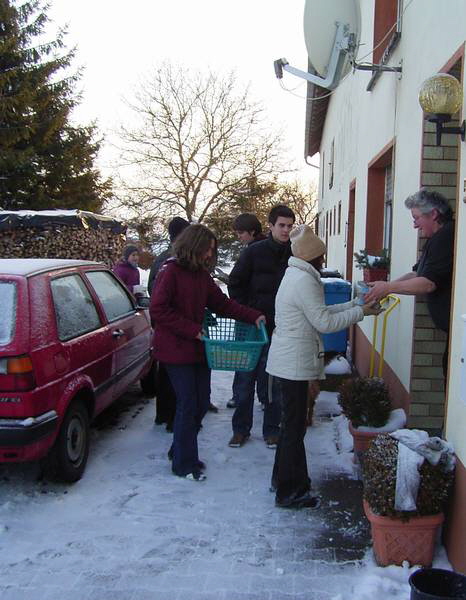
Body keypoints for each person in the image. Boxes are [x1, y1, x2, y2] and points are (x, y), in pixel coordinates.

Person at [266, 225, 382, 509]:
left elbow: (321, 312)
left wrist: (356, 305)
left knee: (290, 426)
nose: (324, 260)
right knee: (294, 429)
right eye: (321, 255)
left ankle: (282, 482)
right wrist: (360, 313)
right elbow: (325, 323)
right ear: (313, 257)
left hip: (288, 359)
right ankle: (290, 491)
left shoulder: (297, 275)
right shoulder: (304, 281)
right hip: (293, 363)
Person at [150, 224, 264, 481]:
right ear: (194, 246)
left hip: (199, 349)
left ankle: (179, 449)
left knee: (201, 404)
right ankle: (184, 463)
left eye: (212, 251)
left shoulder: (201, 275)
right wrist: (191, 329)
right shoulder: (171, 272)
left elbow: (221, 304)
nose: (209, 255)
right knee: (188, 403)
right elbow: (158, 310)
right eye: (207, 249)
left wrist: (252, 315)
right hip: (175, 350)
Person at [365, 189, 454, 379]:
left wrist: (388, 288)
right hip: (452, 333)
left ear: (434, 214)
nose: (415, 225)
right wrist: (386, 287)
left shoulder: (446, 238)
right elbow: (417, 274)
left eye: (416, 218)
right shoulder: (435, 239)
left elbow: (428, 284)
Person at [227, 204, 295, 449]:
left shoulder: (295, 254)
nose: (286, 230)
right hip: (251, 326)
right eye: (281, 225)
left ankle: (272, 430)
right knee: (245, 380)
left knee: (273, 383)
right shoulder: (254, 252)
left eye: (289, 226)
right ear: (271, 226)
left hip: (280, 329)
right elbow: (234, 284)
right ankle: (240, 430)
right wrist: (249, 312)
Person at [148, 217, 190, 430]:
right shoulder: (172, 261)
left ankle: (162, 414)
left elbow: (150, 290)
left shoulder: (160, 259)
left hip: (163, 325)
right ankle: (172, 418)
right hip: (173, 325)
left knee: (164, 371)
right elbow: (158, 299)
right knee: (175, 374)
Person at [226, 213, 267, 410]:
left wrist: (243, 308)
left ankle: (240, 397)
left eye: (241, 233)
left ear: (252, 231)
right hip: (263, 316)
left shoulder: (251, 252)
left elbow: (234, 283)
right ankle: (264, 399)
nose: (239, 237)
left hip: (250, 317)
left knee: (244, 359)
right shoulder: (265, 249)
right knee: (262, 361)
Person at [147, 217, 190, 296]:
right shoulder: (165, 261)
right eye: (188, 235)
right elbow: (155, 291)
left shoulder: (188, 259)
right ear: (180, 237)